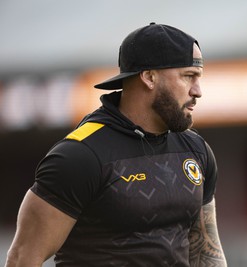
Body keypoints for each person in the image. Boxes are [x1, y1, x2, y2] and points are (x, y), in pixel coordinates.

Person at [5, 22, 227, 267]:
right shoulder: (81, 156)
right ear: (149, 77)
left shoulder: (195, 151)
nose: (198, 91)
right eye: (188, 76)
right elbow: (22, 259)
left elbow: (207, 252)